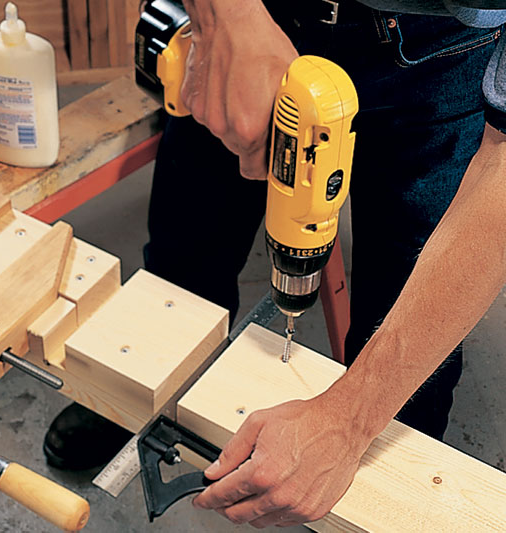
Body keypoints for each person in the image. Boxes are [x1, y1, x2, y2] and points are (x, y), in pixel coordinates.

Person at [46, 0, 506, 527]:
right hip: (264, 12)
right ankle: (132, 388)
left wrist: (351, 419)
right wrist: (228, 17)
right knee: (184, 257)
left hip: (437, 54)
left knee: (406, 320)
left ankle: (380, 493)